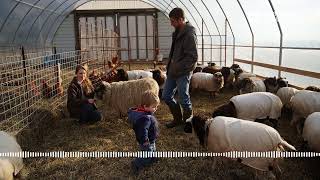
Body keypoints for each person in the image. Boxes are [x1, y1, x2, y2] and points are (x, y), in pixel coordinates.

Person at [162, 8, 198, 130]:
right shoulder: (177, 32)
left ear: (181, 19)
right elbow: (174, 53)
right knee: (166, 95)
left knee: (183, 98)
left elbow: (192, 57)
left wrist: (177, 65)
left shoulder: (189, 34)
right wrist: (170, 66)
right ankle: (177, 119)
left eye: (173, 21)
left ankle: (188, 122)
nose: (171, 23)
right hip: (173, 71)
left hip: (183, 71)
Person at [128, 91, 160, 174]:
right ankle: (137, 164)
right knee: (147, 152)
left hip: (151, 139)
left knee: (153, 150)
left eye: (156, 106)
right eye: (154, 107)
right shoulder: (144, 118)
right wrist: (145, 140)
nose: (156, 109)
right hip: (146, 141)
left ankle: (152, 158)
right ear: (145, 106)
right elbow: (143, 131)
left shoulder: (146, 114)